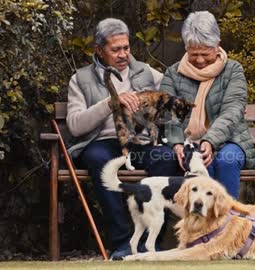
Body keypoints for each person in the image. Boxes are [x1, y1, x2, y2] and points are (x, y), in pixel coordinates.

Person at [66, 18, 177, 260]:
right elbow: (75, 126)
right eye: (115, 49)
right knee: (99, 160)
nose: (123, 54)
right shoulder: (81, 79)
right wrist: (110, 103)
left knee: (166, 158)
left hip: (139, 142)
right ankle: (123, 242)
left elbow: (175, 92)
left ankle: (152, 243)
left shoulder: (146, 72)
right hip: (101, 143)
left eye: (126, 48)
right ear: (99, 50)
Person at [161, 11, 255, 199]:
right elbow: (169, 115)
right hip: (189, 143)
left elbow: (232, 110)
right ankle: (204, 226)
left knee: (226, 161)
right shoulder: (173, 74)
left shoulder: (233, 70)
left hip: (231, 141)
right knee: (202, 162)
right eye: (193, 54)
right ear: (186, 47)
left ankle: (229, 220)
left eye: (205, 53)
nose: (200, 60)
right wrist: (177, 144)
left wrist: (209, 141)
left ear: (217, 44)